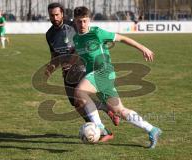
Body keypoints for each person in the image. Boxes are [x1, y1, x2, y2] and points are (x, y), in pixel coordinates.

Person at [73, 6, 162, 148]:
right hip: (98, 76)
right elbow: (80, 55)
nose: (82, 24)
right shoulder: (76, 39)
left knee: (79, 91)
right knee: (119, 111)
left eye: (84, 21)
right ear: (74, 22)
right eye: (78, 21)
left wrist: (143, 48)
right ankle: (152, 129)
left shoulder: (97, 33)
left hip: (103, 72)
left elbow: (122, 38)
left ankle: (99, 126)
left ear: (89, 20)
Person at [45, 3, 118, 142]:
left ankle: (103, 125)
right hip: (66, 72)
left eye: (57, 14)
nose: (54, 18)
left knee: (81, 98)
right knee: (76, 105)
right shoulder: (49, 34)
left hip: (80, 67)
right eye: (51, 15)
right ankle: (106, 115)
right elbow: (55, 55)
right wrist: (51, 67)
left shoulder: (74, 25)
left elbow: (85, 42)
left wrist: (73, 61)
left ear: (62, 14)